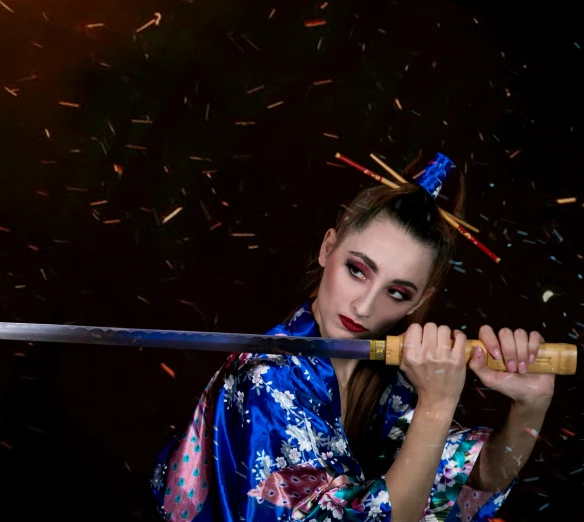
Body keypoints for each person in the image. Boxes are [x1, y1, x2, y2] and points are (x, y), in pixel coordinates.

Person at [151, 153, 555, 522]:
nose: (364, 306)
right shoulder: (264, 377)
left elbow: (474, 474)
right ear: (329, 247)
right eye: (358, 270)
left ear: (419, 302)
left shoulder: (392, 382)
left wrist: (530, 405)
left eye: (396, 292)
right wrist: (438, 403)